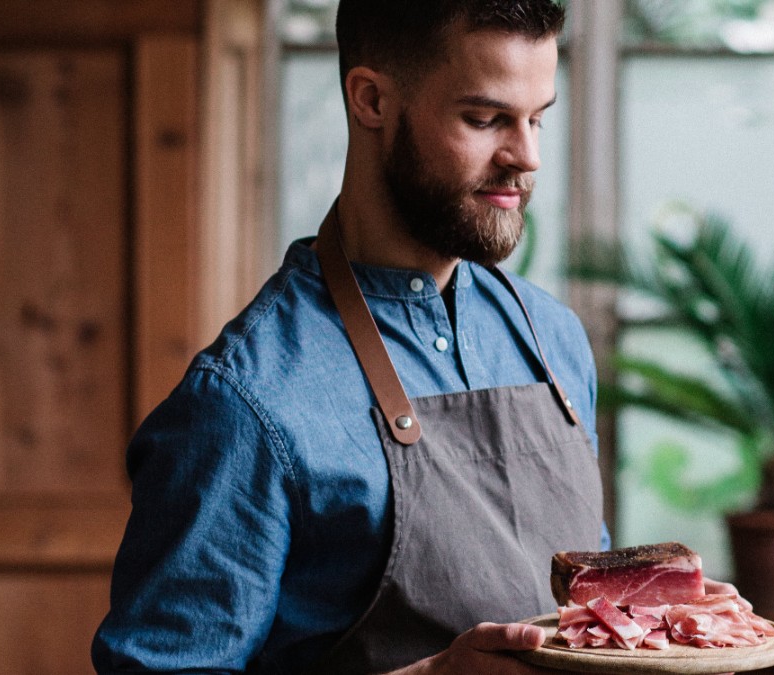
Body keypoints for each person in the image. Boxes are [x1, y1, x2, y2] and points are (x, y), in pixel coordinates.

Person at [93, 1, 607, 673]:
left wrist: (664, 625)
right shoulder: (244, 400)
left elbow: (585, 611)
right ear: (371, 99)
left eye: (537, 118)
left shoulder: (554, 339)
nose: (526, 157)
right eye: (485, 119)